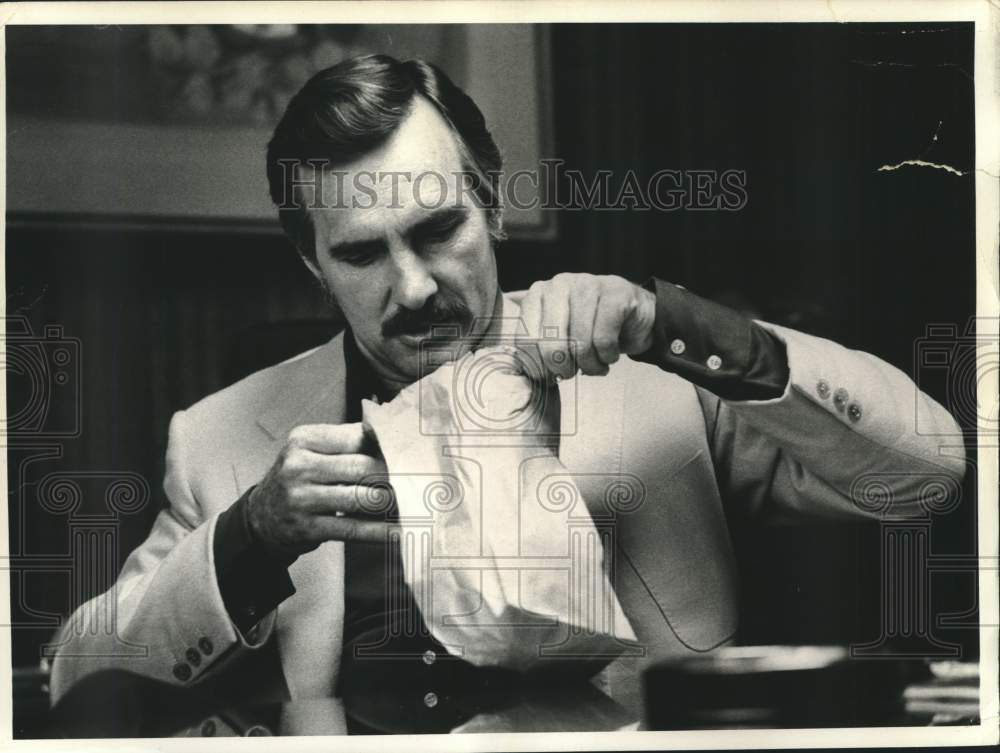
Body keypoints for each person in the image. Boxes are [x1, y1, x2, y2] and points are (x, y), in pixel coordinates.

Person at [49, 55, 964, 721]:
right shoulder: (218, 435)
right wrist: (250, 536)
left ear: (491, 201)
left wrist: (685, 329)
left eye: (439, 228)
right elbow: (73, 674)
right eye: (363, 253)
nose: (413, 287)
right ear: (312, 263)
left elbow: (928, 471)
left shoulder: (660, 383)